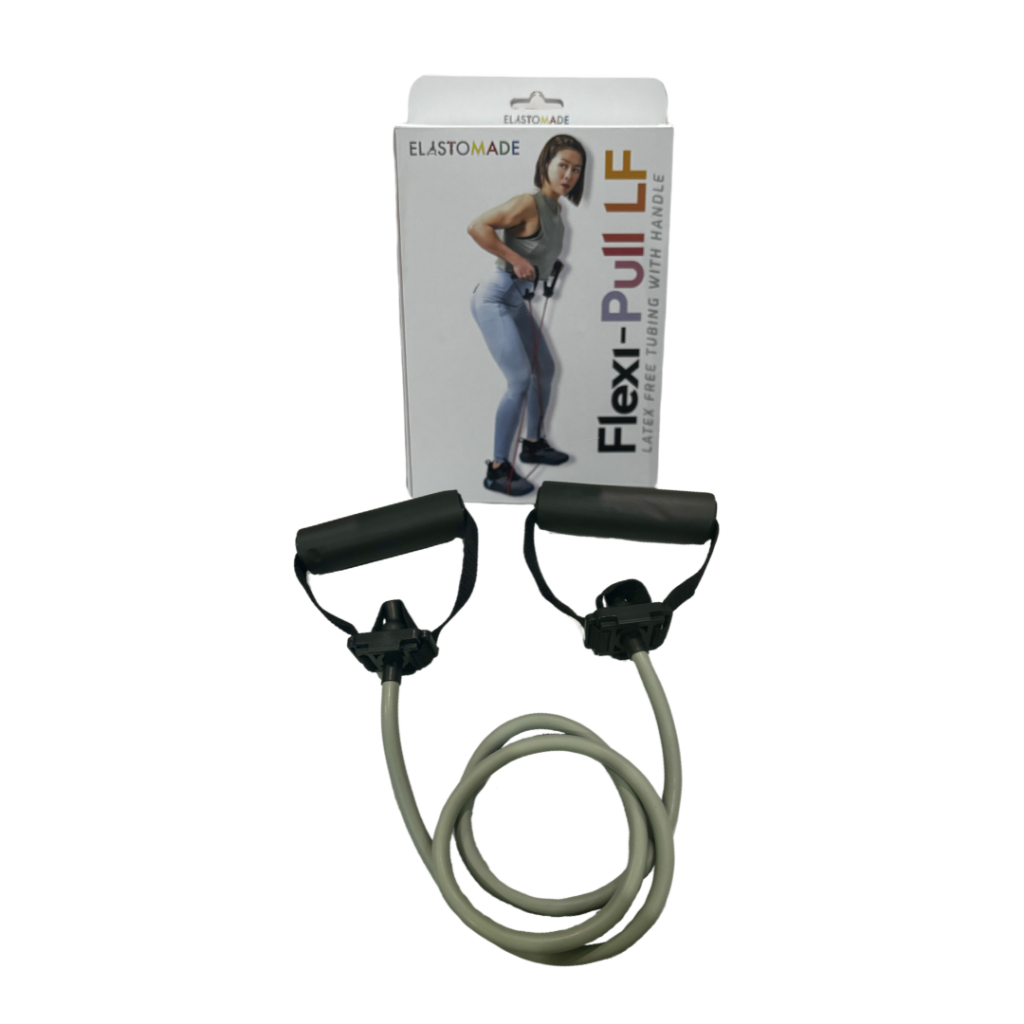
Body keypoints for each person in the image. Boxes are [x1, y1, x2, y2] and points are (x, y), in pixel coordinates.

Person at [467, 134, 586, 496]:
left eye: (576, 169)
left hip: (516, 301)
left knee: (545, 369)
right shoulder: (527, 203)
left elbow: (538, 250)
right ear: (546, 164)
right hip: (495, 298)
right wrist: (516, 259)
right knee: (519, 379)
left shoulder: (556, 212)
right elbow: (478, 226)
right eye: (562, 165)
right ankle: (497, 468)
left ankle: (533, 443)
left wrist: (551, 266)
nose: (569, 175)